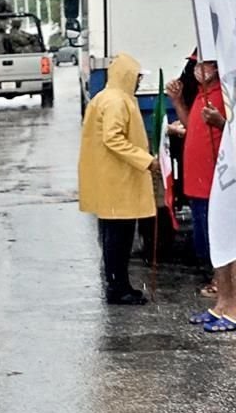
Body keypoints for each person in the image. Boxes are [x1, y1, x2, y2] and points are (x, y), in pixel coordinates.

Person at [78, 53, 158, 305]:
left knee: (116, 237)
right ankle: (118, 288)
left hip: (113, 178)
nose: (138, 82)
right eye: (137, 77)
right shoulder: (116, 101)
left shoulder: (109, 97)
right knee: (118, 238)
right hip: (117, 179)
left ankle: (119, 285)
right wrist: (145, 160)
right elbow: (113, 138)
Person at [167, 53, 225, 301]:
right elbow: (192, 124)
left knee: (216, 235)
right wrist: (178, 101)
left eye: (205, 64)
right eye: (196, 64)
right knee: (202, 235)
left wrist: (221, 122)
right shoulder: (202, 94)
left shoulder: (225, 94)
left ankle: (222, 283)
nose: (198, 69)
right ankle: (218, 279)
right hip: (197, 181)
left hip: (213, 180)